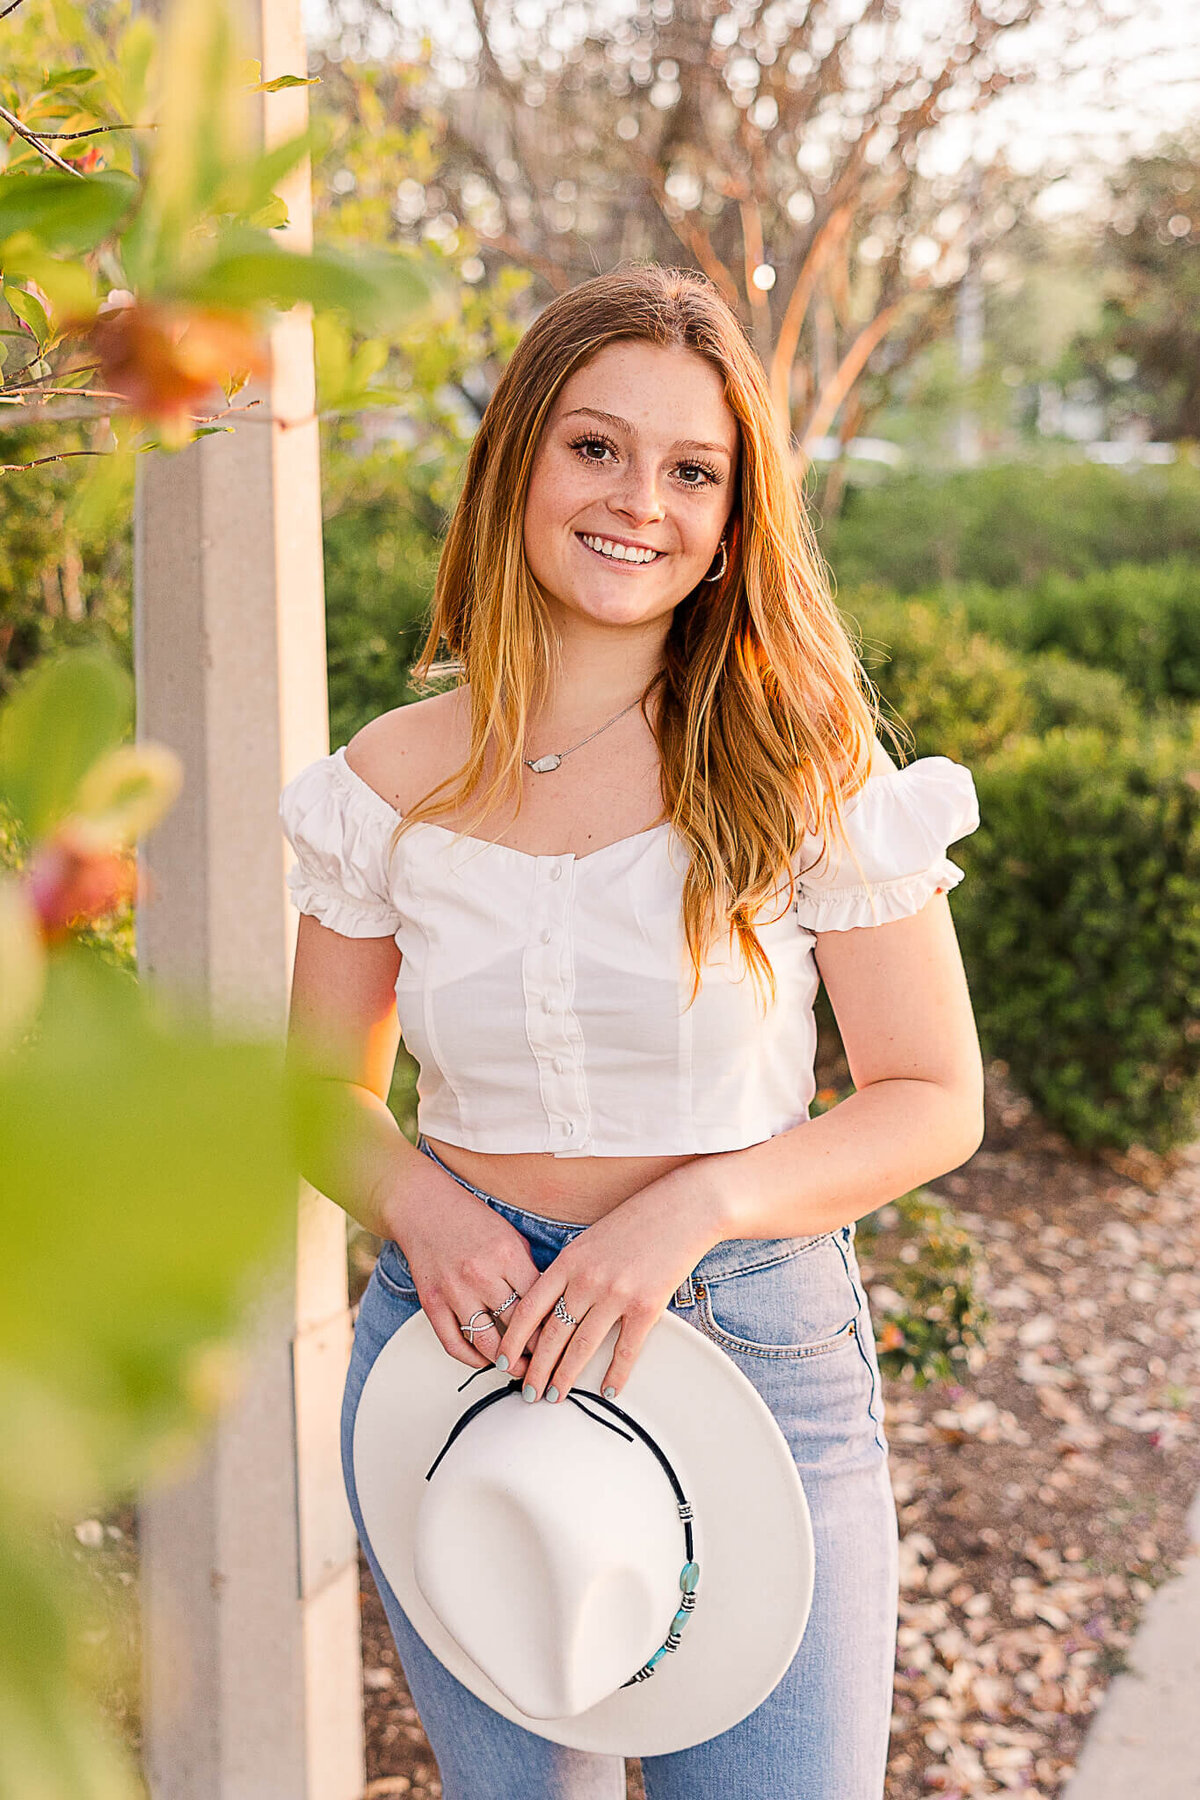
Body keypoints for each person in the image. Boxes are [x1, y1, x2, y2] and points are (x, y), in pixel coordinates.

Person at [279, 262, 985, 1800]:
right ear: (519, 459)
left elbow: (933, 1096)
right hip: (457, 1344)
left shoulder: (799, 765)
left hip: (743, 1339)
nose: (637, 502)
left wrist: (696, 1207)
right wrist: (423, 1210)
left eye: (692, 470)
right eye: (595, 448)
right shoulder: (387, 779)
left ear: (735, 517)